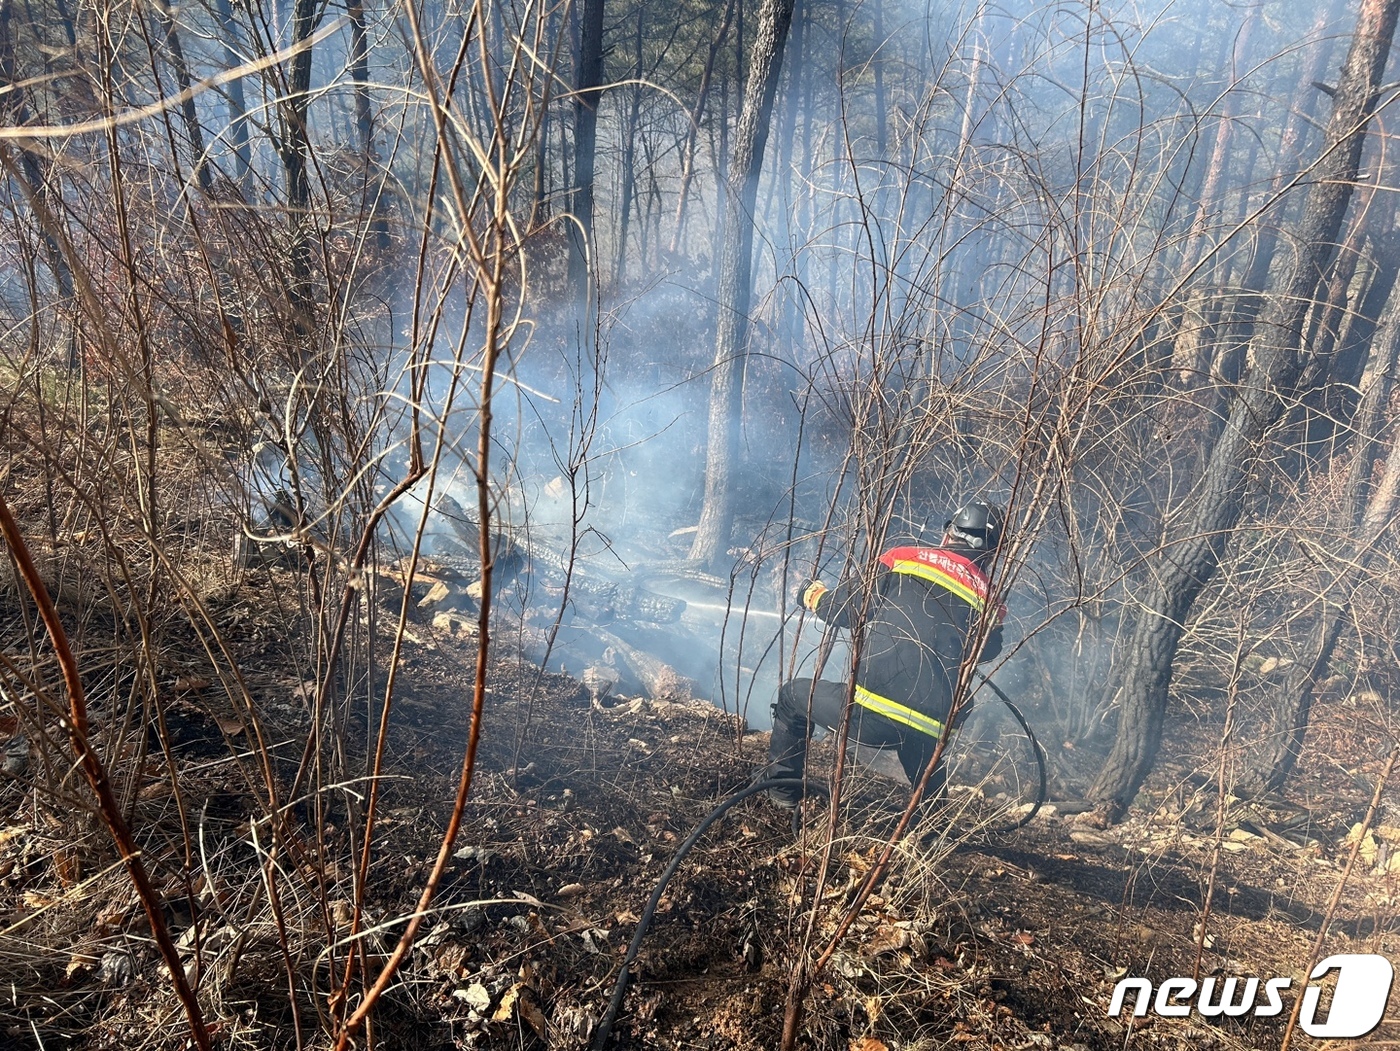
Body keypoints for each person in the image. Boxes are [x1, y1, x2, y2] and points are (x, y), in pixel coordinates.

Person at [765, 500, 1008, 809]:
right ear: (992, 551)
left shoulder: (903, 559)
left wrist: (812, 595)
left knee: (792, 696)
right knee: (923, 755)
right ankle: (932, 830)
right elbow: (988, 650)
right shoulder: (989, 597)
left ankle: (781, 793)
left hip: (867, 715)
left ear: (949, 534)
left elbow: (843, 608)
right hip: (929, 728)